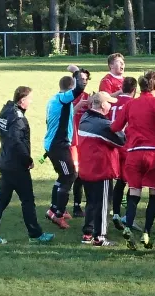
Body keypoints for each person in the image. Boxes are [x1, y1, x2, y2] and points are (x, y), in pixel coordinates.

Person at [0, 86, 54, 245]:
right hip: (16, 167)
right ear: (22, 100)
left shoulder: (4, 112)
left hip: (4, 162)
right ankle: (35, 235)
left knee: (1, 200)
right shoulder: (19, 119)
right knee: (27, 200)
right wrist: (28, 161)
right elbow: (17, 143)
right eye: (30, 99)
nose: (31, 102)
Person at [110, 70, 155, 250]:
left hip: (133, 153)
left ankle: (128, 226)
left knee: (134, 192)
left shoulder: (131, 104)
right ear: (154, 86)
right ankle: (147, 232)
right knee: (153, 194)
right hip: (153, 153)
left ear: (138, 87)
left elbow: (116, 126)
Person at [77, 92, 126, 246]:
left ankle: (88, 233)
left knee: (91, 202)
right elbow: (121, 141)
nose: (111, 106)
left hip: (86, 168)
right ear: (103, 105)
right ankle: (100, 237)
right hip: (101, 170)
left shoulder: (85, 118)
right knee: (104, 204)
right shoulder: (103, 125)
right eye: (109, 103)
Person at [44, 67, 86, 229]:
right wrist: (76, 71)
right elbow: (79, 89)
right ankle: (58, 214)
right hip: (58, 146)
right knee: (70, 175)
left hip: (54, 144)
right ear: (70, 87)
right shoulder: (63, 99)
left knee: (63, 175)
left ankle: (53, 209)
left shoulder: (54, 99)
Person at [109, 77, 138, 231]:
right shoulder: (132, 103)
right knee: (129, 181)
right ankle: (127, 216)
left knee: (116, 180)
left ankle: (115, 213)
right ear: (134, 90)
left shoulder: (113, 101)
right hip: (126, 145)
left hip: (111, 145)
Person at [70, 66, 91, 218]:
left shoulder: (89, 97)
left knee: (83, 174)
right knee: (73, 174)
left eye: (85, 79)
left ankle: (78, 205)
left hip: (85, 142)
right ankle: (62, 206)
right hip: (72, 141)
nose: (83, 82)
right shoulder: (68, 97)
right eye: (80, 79)